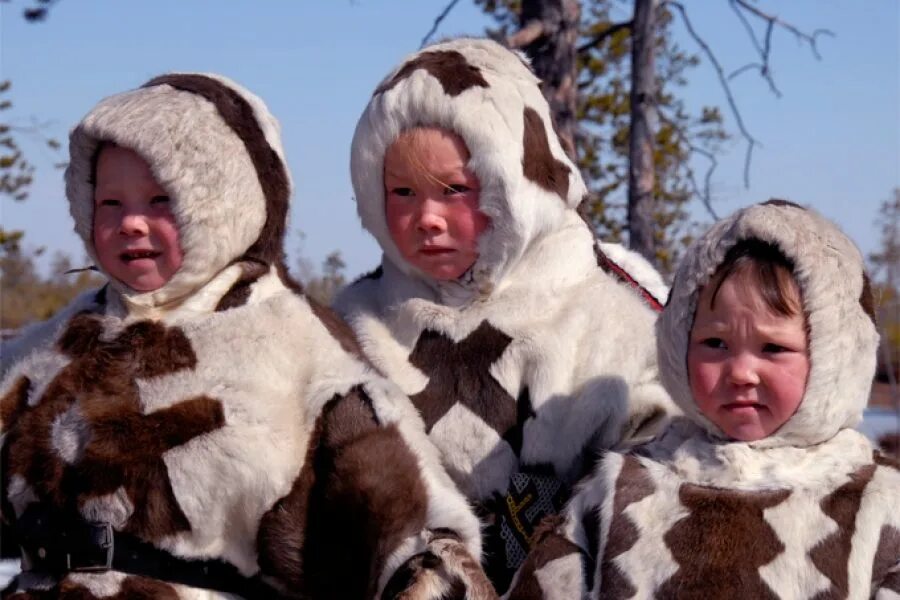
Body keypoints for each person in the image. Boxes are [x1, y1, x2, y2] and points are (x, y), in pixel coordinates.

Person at [0, 73, 493, 599]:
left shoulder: (292, 343)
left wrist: (422, 571)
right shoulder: (46, 351)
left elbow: (399, 513)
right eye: (111, 204)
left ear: (219, 204)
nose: (132, 224)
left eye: (161, 199)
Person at [333, 37, 675, 591]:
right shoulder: (359, 326)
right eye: (402, 192)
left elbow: (664, 456)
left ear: (511, 183)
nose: (427, 218)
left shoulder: (606, 309)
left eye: (454, 190)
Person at [506, 200, 900, 598]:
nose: (741, 372)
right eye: (715, 343)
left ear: (834, 354)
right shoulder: (619, 490)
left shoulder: (878, 506)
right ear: (680, 345)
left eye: (773, 348)